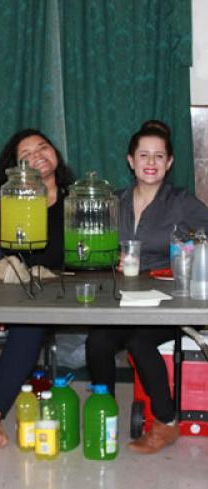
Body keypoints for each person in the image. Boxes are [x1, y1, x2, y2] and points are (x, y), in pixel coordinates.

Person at [86, 125, 208, 454]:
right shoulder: (115, 201)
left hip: (170, 301)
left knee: (139, 341)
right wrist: (108, 257)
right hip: (125, 298)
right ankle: (105, 414)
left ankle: (166, 423)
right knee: (97, 342)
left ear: (169, 162)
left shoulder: (181, 202)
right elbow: (94, 245)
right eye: (144, 155)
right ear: (131, 161)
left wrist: (189, 250)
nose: (151, 162)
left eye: (159, 156)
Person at [0, 129, 73, 455]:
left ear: (55, 153)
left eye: (43, 147)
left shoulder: (75, 201)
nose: (37, 156)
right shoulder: (5, 202)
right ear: (13, 167)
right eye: (26, 154)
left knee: (28, 323)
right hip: (5, 293)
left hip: (54, 298)